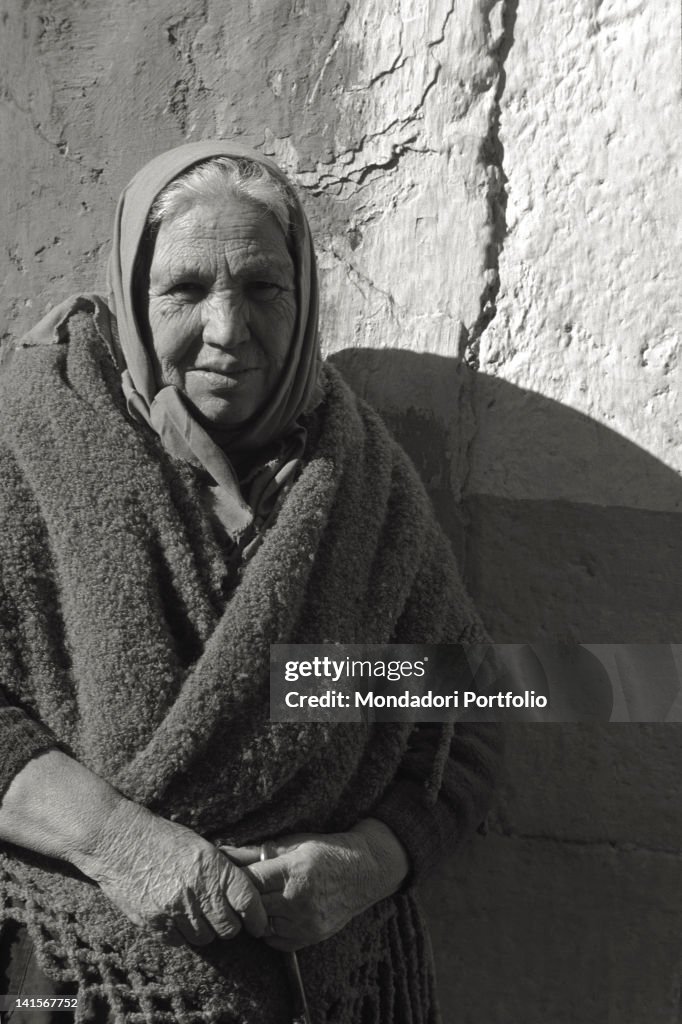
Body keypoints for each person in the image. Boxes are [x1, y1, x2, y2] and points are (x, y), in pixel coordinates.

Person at [0, 141, 502, 1024]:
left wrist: (368, 863)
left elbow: (462, 716)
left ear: (303, 297)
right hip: (73, 979)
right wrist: (116, 843)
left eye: (264, 288)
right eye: (186, 291)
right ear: (130, 295)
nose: (228, 330)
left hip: (329, 987)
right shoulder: (31, 447)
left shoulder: (361, 483)